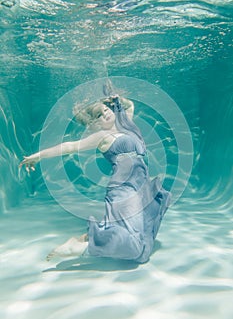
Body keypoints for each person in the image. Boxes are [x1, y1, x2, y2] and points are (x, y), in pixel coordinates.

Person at [20, 81, 171, 264]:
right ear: (95, 124)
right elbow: (69, 146)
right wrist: (38, 156)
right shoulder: (103, 137)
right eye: (99, 115)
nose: (105, 113)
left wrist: (117, 98)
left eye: (105, 110)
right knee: (135, 249)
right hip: (124, 189)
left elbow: (130, 105)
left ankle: (89, 237)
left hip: (140, 186)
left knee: (143, 238)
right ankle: (77, 249)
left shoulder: (126, 125)